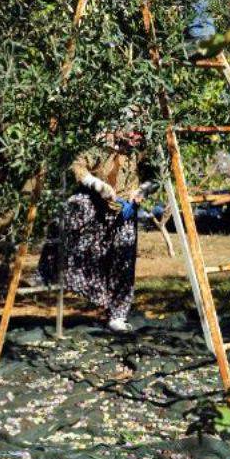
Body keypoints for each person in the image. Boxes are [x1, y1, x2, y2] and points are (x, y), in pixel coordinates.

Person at [37, 115, 158, 332]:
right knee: (70, 211)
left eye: (138, 133)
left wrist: (142, 191)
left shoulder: (142, 149)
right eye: (131, 132)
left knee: (123, 260)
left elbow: (156, 175)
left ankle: (118, 315)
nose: (134, 137)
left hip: (124, 211)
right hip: (96, 204)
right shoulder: (103, 146)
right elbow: (78, 165)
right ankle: (48, 270)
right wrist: (97, 184)